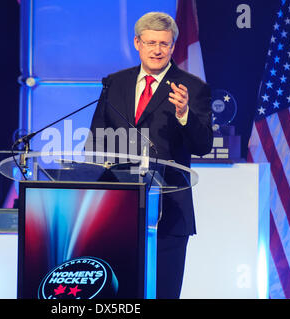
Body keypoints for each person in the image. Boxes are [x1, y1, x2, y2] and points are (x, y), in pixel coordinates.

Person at [86, 12, 213, 298]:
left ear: (172, 47)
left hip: (169, 211)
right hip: (118, 209)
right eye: (151, 42)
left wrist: (184, 114)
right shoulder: (114, 84)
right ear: (137, 43)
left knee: (163, 292)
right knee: (118, 294)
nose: (157, 50)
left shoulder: (193, 88)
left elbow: (203, 144)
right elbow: (96, 141)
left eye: (164, 44)